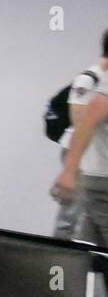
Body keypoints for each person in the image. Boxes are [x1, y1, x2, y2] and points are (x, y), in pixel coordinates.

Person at [53, 31, 108, 247]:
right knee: (69, 222)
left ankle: (66, 274)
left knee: (86, 239)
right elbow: (82, 121)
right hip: (90, 164)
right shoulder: (91, 78)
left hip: (92, 167)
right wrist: (71, 170)